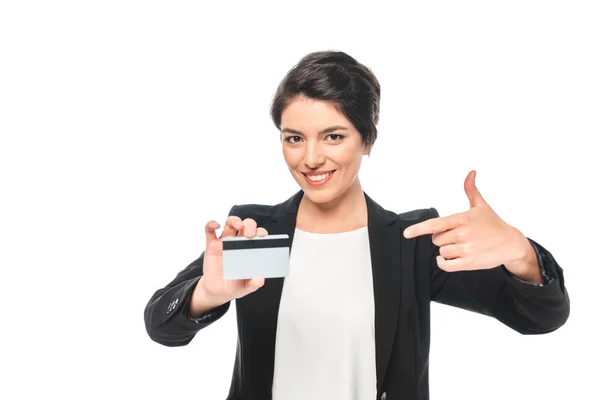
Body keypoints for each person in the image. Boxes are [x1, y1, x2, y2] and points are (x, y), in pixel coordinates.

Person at [143, 50, 570, 400]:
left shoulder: (410, 244)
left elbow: (541, 318)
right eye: (294, 138)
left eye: (333, 136)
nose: (310, 158)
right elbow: (160, 325)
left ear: (366, 139)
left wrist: (521, 252)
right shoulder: (261, 234)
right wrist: (206, 293)